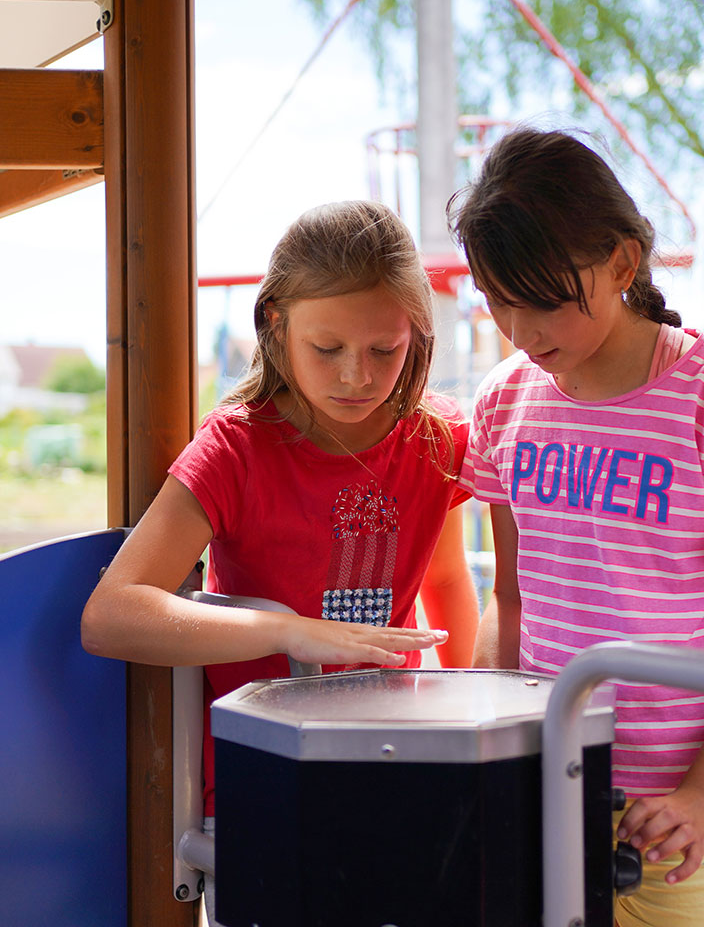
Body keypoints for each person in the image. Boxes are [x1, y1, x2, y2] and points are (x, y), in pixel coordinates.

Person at [82, 199, 479, 924]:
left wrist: (470, 739)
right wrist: (289, 632)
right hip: (263, 781)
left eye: (383, 351)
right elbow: (112, 614)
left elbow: (449, 583)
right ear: (275, 325)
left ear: (416, 337)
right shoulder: (236, 449)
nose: (357, 376)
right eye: (327, 349)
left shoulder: (439, 439)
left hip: (400, 770)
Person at [447, 128, 704, 927]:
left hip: (689, 813)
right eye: (498, 301)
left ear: (623, 265)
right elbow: (510, 599)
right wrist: (494, 754)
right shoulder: (505, 400)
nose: (519, 330)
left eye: (545, 300)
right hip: (552, 783)